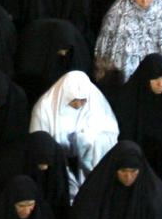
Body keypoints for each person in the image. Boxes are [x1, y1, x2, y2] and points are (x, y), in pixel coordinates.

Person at [29, 70, 121, 201]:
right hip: (57, 164)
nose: (79, 105)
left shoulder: (96, 104)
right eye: (74, 101)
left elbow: (110, 133)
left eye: (83, 100)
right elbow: (38, 141)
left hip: (88, 164)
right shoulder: (44, 109)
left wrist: (86, 140)